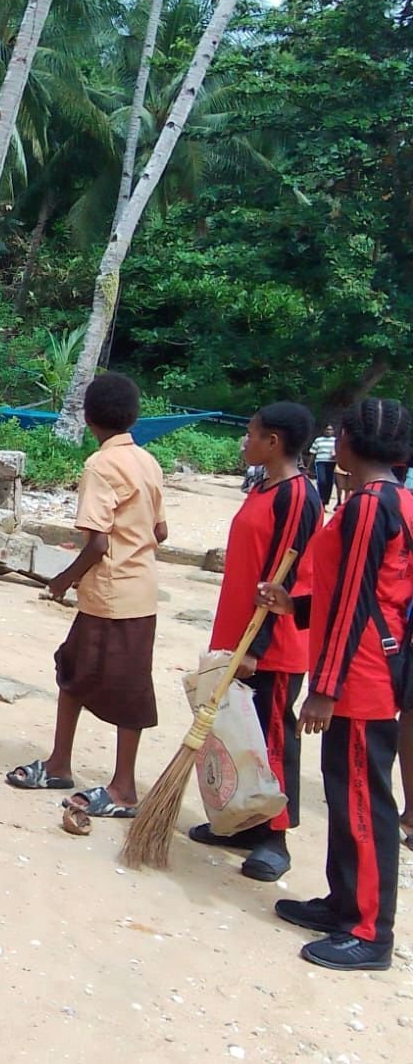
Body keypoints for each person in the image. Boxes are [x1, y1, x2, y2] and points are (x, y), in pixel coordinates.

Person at [258, 398, 411, 971]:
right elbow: (359, 594)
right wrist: (293, 604)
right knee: (346, 791)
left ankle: (371, 931)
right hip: (366, 663)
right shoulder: (396, 499)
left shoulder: (370, 507)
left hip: (361, 675)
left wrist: (324, 686)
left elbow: (354, 601)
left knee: (363, 800)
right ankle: (345, 903)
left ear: (350, 442)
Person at [6, 373, 167, 818]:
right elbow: (160, 530)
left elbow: (97, 543)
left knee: (128, 690)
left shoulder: (100, 466)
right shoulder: (148, 462)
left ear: (89, 417)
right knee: (72, 670)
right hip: (134, 590)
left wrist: (61, 581)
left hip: (115, 596)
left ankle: (124, 789)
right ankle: (59, 764)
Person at [193, 403, 322, 881]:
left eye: (250, 434)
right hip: (237, 633)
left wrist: (256, 647)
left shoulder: (298, 497)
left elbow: (281, 575)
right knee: (237, 734)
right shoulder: (262, 488)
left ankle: (276, 836)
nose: (243, 441)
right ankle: (245, 819)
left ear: (274, 442)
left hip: (272, 644)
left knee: (271, 737)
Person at [312, 424, 338, 509]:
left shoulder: (335, 441)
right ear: (323, 430)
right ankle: (320, 499)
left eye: (330, 430)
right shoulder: (318, 440)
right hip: (320, 462)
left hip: (331, 463)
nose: (328, 431)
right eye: (327, 429)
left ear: (333, 431)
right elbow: (312, 453)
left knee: (330, 483)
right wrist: (308, 466)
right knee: (321, 481)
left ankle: (325, 502)